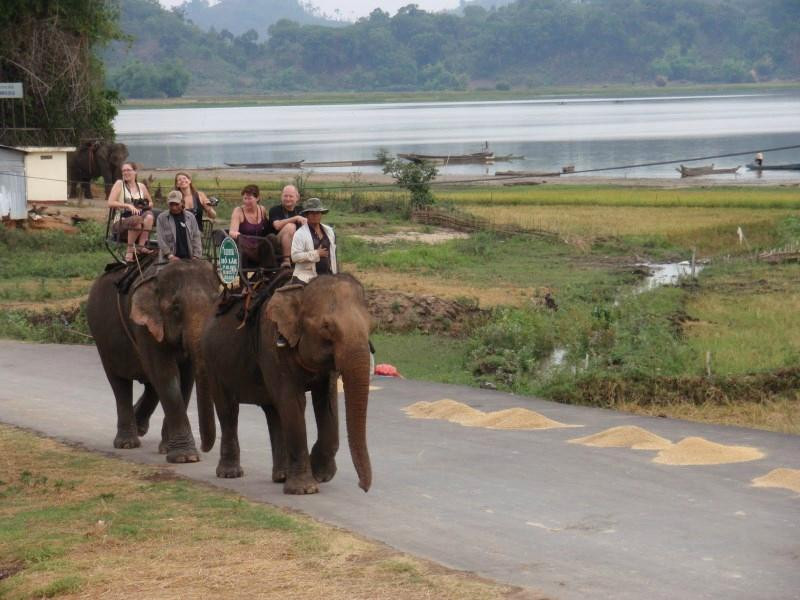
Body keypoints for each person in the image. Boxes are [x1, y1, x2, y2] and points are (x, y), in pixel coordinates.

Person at [107, 161, 154, 262]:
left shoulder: (141, 186)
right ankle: (129, 251)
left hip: (139, 220)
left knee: (149, 216)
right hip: (121, 221)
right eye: (123, 171)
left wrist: (143, 206)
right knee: (136, 220)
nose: (126, 173)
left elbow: (151, 203)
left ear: (135, 172)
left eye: (128, 170)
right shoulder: (119, 184)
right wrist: (128, 205)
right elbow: (110, 203)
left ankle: (141, 246)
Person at [290, 197, 337, 283]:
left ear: (321, 214)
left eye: (318, 212)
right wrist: (316, 253)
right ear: (307, 215)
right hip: (306, 276)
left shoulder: (329, 231)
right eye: (312, 213)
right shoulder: (300, 234)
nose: (315, 215)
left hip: (329, 275)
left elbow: (333, 255)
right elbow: (295, 257)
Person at [229, 184, 270, 268]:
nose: (246, 201)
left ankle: (266, 273)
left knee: (271, 238)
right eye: (245, 198)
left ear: (257, 198)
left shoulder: (262, 210)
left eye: (249, 198)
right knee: (242, 244)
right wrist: (235, 234)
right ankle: (244, 279)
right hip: (245, 247)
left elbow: (267, 228)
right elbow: (232, 231)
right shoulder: (238, 211)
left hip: (259, 247)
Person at [157, 190, 202, 263]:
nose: (174, 207)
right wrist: (170, 256)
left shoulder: (190, 217)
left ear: (182, 202)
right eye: (171, 204)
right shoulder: (162, 218)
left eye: (176, 204)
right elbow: (160, 239)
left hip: (189, 258)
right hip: (169, 259)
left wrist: (196, 256)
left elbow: (196, 236)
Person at [269, 185, 307, 269]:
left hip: (297, 244)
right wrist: (296, 218)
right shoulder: (275, 209)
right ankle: (286, 260)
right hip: (277, 244)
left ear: (297, 198)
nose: (288, 199)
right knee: (290, 226)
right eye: (285, 196)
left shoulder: (302, 210)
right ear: (281, 197)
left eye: (291, 196)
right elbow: (277, 226)